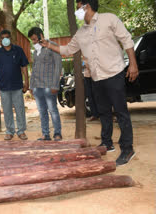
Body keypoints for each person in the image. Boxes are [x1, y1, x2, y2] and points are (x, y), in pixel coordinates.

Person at [41, 0, 139, 166]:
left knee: (121, 112)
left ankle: (127, 148)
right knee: (103, 112)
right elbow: (67, 50)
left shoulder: (109, 19)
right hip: (96, 78)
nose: (77, 10)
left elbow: (127, 40)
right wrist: (48, 45)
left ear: (87, 6)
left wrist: (133, 64)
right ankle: (107, 143)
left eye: (79, 6)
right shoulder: (81, 33)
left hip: (114, 73)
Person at [0, 29, 29, 140]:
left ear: (10, 38)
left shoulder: (18, 50)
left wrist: (26, 81)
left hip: (17, 86)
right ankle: (9, 131)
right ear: (0, 40)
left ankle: (21, 131)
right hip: (3, 87)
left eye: (7, 37)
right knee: (7, 110)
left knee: (20, 109)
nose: (5, 39)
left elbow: (24, 67)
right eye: (3, 38)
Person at [28, 27, 63, 141]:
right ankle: (45, 134)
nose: (33, 42)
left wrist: (55, 85)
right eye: (32, 40)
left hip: (49, 86)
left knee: (52, 110)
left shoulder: (52, 46)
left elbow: (58, 66)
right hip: (37, 87)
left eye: (34, 39)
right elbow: (34, 68)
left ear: (40, 36)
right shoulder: (36, 51)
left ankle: (57, 133)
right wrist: (31, 86)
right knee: (42, 111)